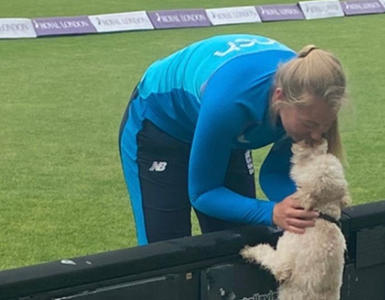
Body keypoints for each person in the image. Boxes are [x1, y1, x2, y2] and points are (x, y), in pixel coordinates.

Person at [118, 34, 347, 245]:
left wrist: (304, 210)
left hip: (223, 125)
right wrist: (271, 212)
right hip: (159, 126)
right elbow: (203, 193)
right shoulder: (231, 106)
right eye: (310, 125)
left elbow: (275, 174)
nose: (317, 136)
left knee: (240, 244)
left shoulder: (308, 101)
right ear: (280, 98)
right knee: (166, 252)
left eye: (324, 125)